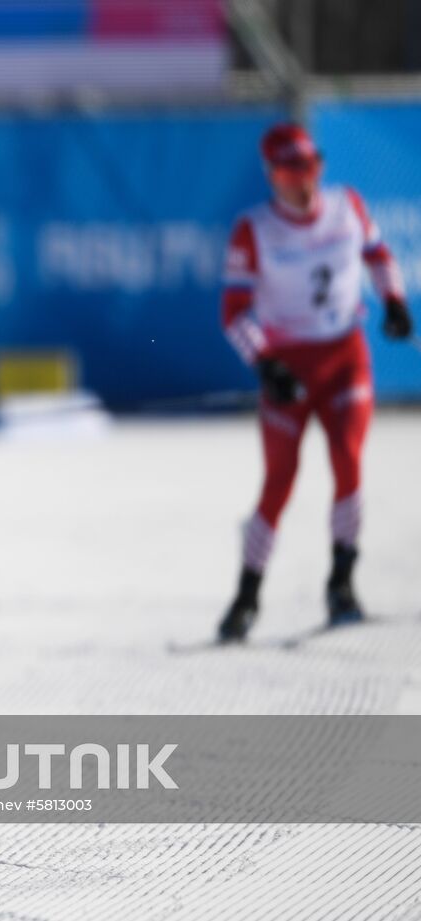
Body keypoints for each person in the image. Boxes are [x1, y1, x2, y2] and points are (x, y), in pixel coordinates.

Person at [217, 122, 413, 642]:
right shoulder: (253, 229)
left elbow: (379, 256)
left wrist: (393, 300)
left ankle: (342, 582)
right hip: (289, 366)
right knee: (279, 480)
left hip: (344, 356)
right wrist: (265, 362)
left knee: (348, 459)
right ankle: (247, 593)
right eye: (287, 173)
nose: (301, 185)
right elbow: (233, 311)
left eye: (309, 170)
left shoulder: (346, 206)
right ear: (270, 175)